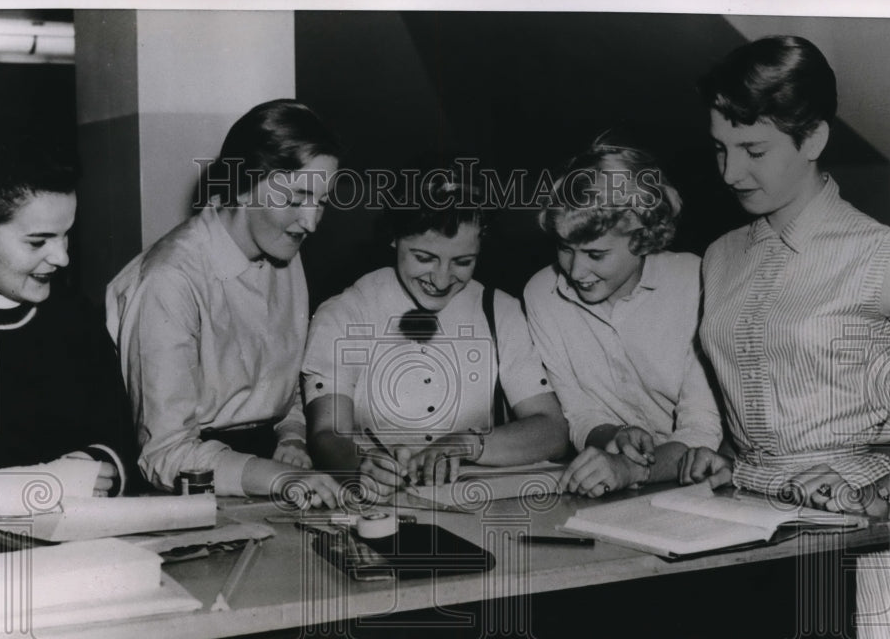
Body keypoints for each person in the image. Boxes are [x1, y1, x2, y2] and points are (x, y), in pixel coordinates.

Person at [613, 36, 890, 639]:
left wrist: (883, 492)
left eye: (753, 148)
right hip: (743, 540)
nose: (730, 171)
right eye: (718, 148)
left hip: (854, 552)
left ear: (814, 138)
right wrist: (683, 453)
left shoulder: (888, 259)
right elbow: (711, 401)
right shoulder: (721, 254)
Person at [106, 100, 343, 508]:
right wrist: (275, 475)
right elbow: (164, 453)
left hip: (266, 476)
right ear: (243, 184)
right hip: (185, 486)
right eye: (297, 199)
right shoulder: (169, 279)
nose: (312, 222)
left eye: (321, 201)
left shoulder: (285, 249)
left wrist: (290, 437)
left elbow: (284, 390)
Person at [302, 161, 569, 501]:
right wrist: (360, 465)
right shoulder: (345, 313)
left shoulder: (499, 310)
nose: (442, 280)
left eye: (463, 262)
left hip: (472, 505)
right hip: (376, 504)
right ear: (395, 238)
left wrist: (468, 444)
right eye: (424, 257)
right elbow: (326, 432)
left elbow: (552, 428)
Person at [0, 118, 136, 525]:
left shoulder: (77, 318)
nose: (62, 257)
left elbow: (120, 442)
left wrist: (96, 464)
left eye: (66, 234)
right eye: (38, 241)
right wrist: (49, 485)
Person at [525, 142, 722, 497]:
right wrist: (612, 435)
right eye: (564, 249)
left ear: (643, 236)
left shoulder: (699, 282)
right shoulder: (541, 293)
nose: (575, 270)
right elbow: (580, 413)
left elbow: (701, 431)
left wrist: (629, 469)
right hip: (612, 483)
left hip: (706, 485)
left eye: (595, 254)